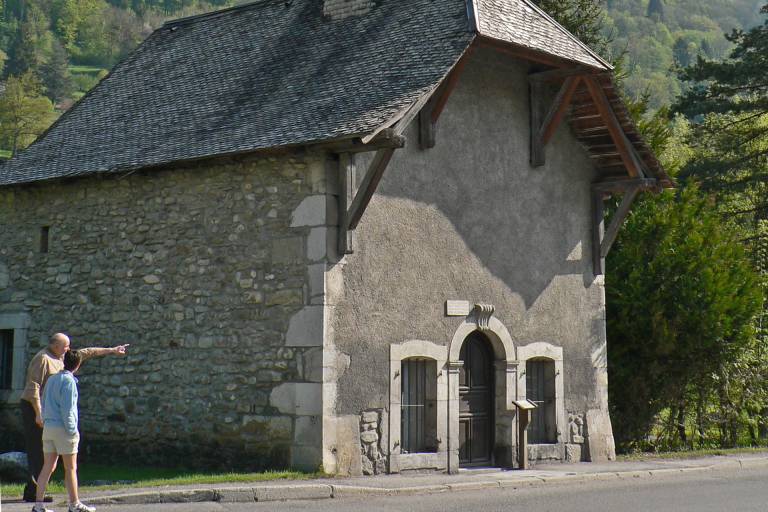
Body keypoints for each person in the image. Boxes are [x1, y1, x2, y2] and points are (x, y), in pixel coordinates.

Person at [20, 333, 129, 503]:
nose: (68, 349)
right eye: (66, 346)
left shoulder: (62, 358)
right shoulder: (42, 359)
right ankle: (34, 492)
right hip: (34, 407)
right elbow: (33, 387)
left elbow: (86, 352)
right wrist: (38, 413)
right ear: (55, 346)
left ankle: (35, 493)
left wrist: (111, 350)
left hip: (50, 410)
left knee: (49, 457)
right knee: (38, 450)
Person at [33, 350, 93, 512]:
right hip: (63, 428)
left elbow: (44, 401)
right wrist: (72, 430)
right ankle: (74, 504)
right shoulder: (69, 381)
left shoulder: (52, 379)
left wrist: (46, 420)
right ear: (78, 365)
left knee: (47, 466)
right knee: (70, 468)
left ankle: (38, 505)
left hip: (49, 427)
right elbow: (68, 409)